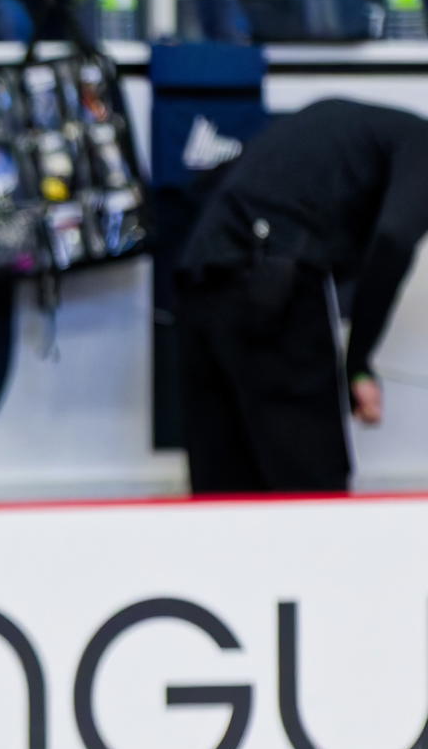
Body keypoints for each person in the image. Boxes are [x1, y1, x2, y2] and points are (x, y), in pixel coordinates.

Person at [175, 98, 428, 493]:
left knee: (224, 489)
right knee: (312, 485)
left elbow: (208, 185)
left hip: (199, 279)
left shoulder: (348, 127)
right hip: (269, 286)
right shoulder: (421, 143)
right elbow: (394, 239)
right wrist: (358, 361)